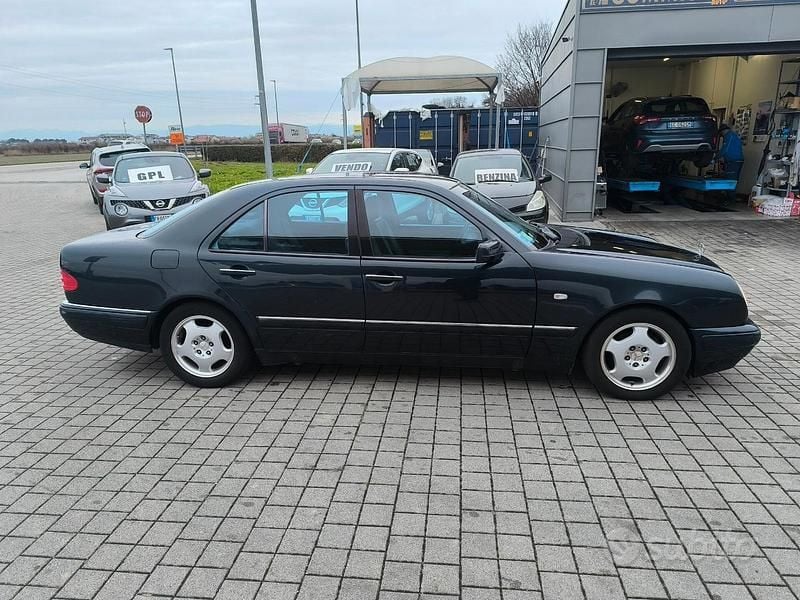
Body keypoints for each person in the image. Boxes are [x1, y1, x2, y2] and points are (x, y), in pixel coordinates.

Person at [717, 123, 744, 204]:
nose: (721, 135)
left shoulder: (729, 136)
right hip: (737, 160)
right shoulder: (733, 135)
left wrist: (716, 157)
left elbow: (725, 149)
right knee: (734, 180)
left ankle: (730, 199)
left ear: (723, 131)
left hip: (733, 161)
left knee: (730, 180)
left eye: (721, 133)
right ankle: (731, 198)